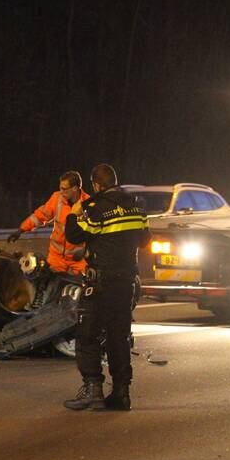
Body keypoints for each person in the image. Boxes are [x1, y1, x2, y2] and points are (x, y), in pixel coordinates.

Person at [62, 164, 150, 411]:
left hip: (101, 284)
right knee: (118, 338)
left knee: (87, 336)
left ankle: (93, 390)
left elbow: (74, 235)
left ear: (96, 185)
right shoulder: (136, 206)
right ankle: (121, 393)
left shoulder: (95, 208)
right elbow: (145, 239)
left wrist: (73, 213)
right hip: (126, 284)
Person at [7, 171, 90, 275]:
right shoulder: (57, 198)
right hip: (56, 257)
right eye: (60, 188)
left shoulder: (89, 203)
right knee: (48, 282)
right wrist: (21, 230)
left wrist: (85, 251)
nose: (61, 192)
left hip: (78, 259)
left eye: (64, 189)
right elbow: (39, 216)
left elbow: (96, 232)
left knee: (85, 283)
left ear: (75, 188)